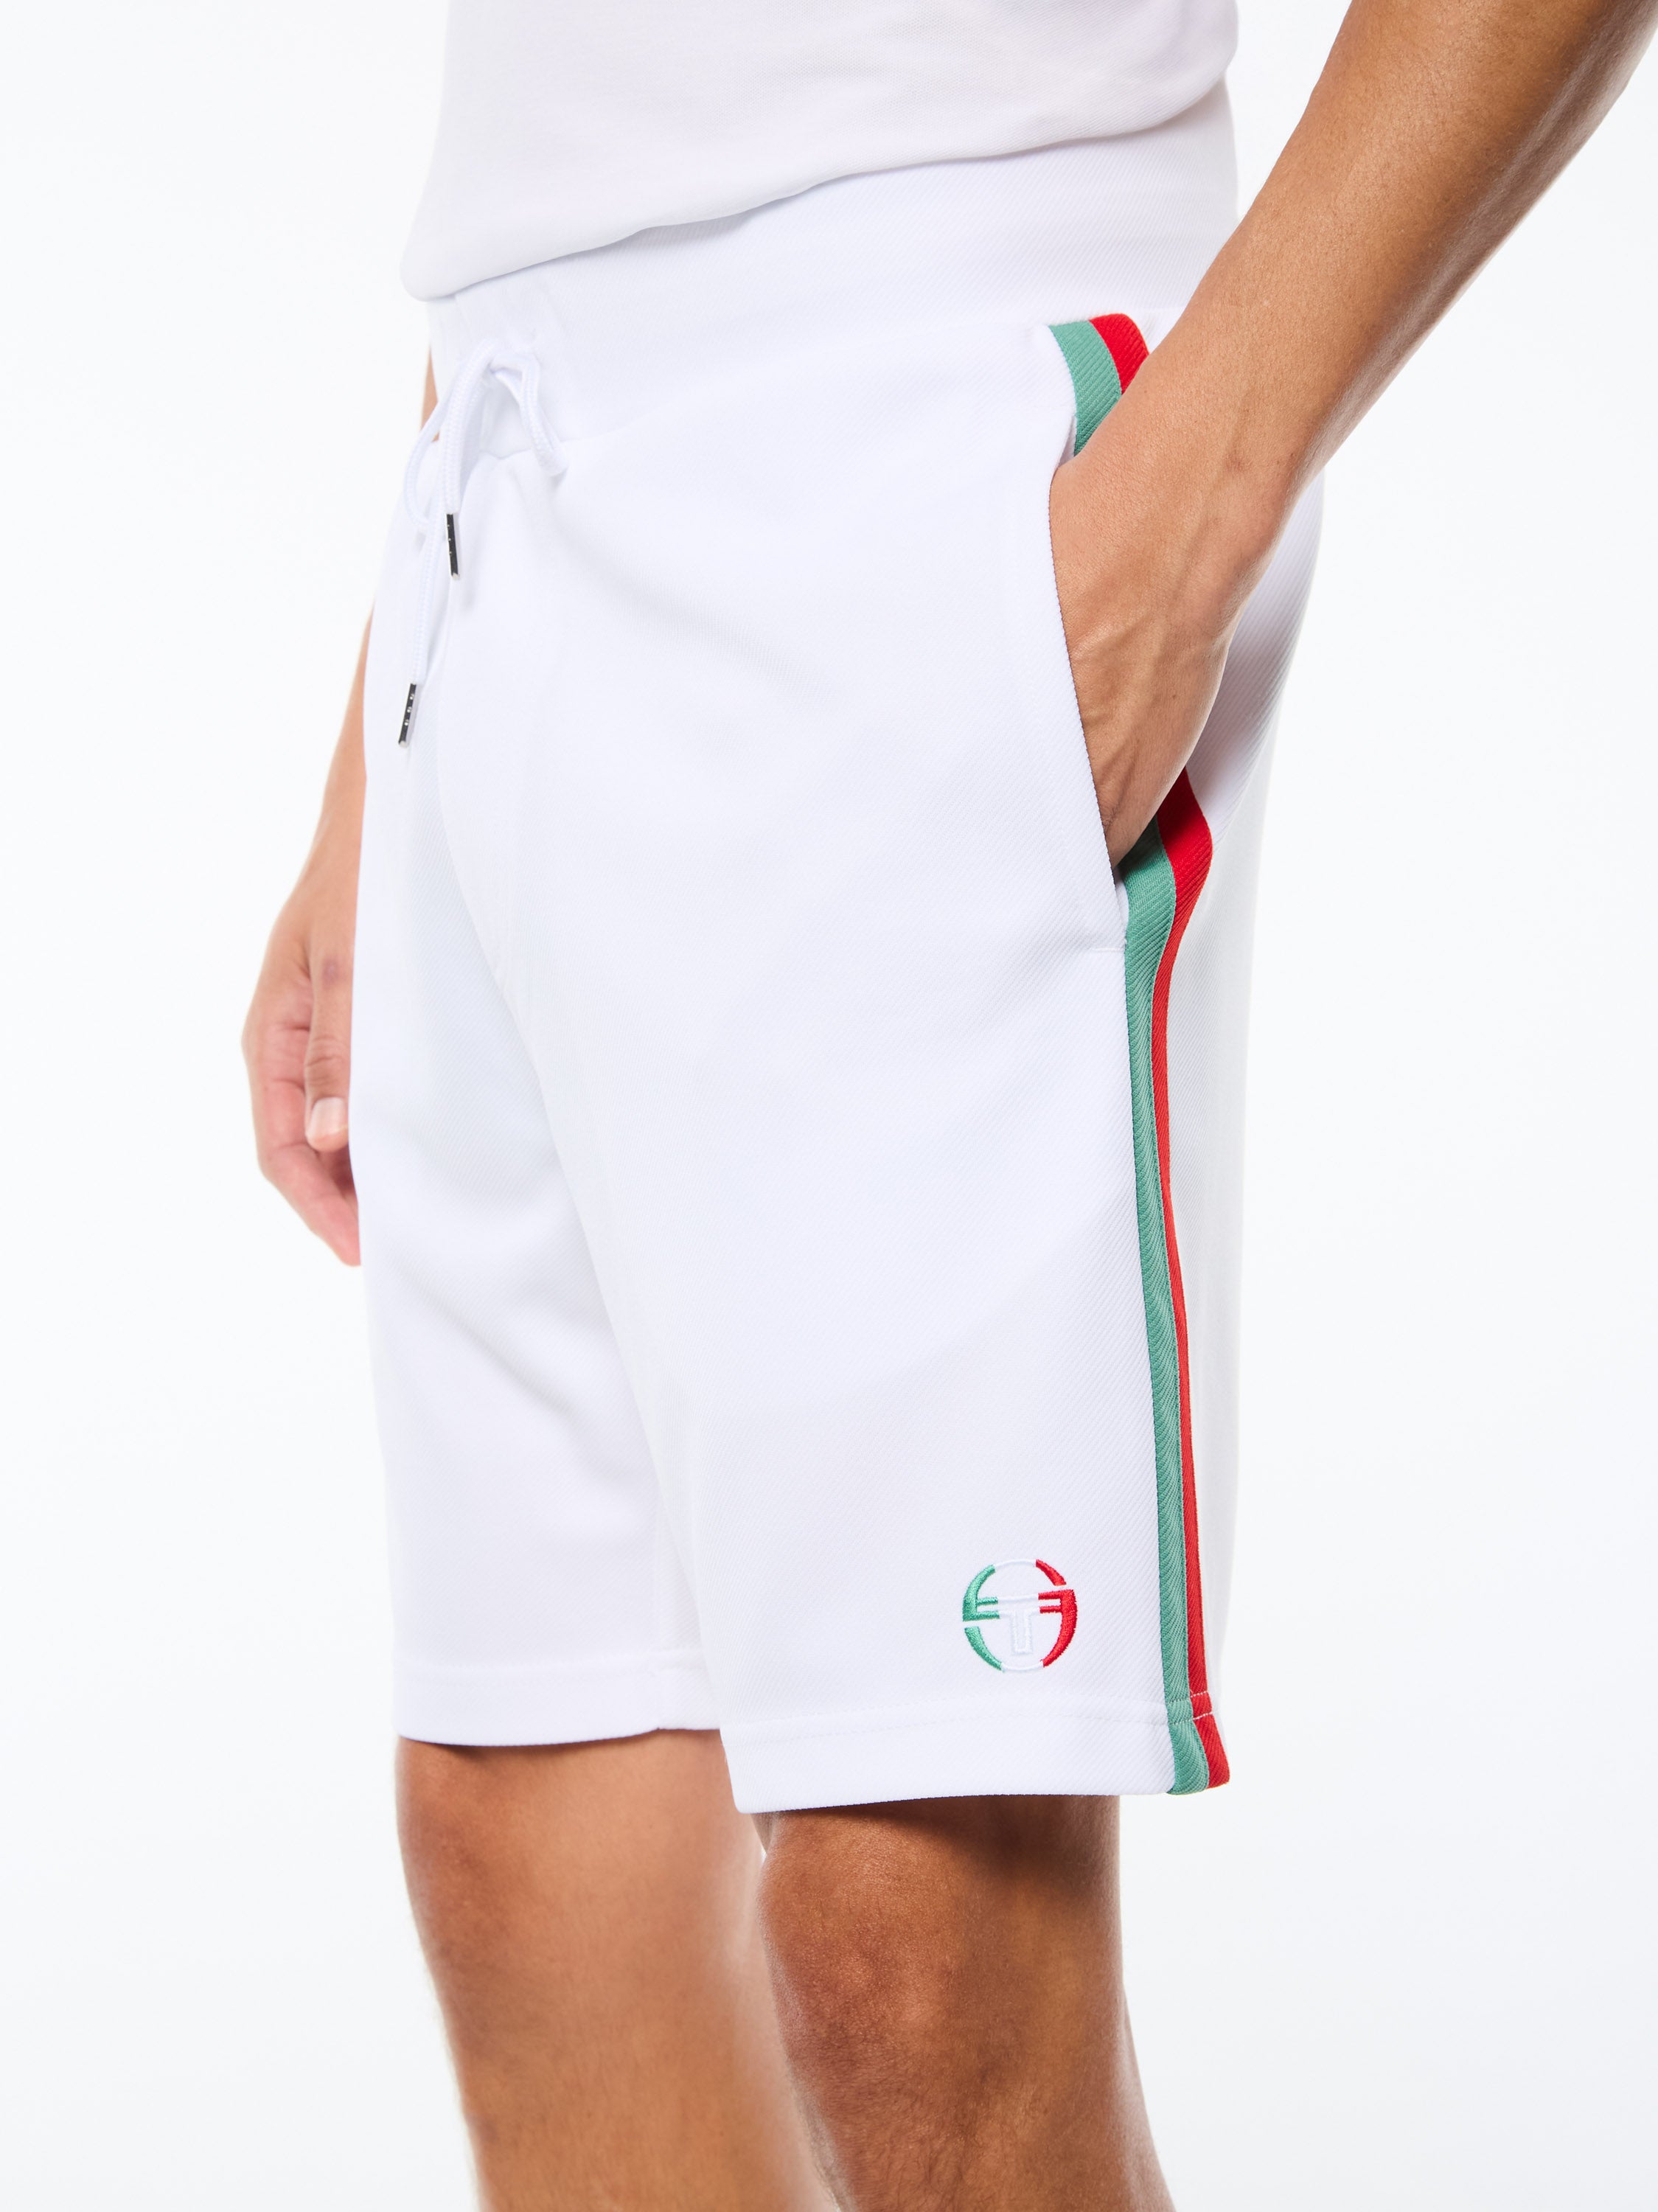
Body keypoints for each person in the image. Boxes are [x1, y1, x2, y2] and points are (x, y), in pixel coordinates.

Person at [243, 0, 1654, 2204]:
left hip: (925, 401)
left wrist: (1189, 505)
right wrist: (380, 742)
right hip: (505, 463)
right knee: (527, 1845)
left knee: (910, 1935)